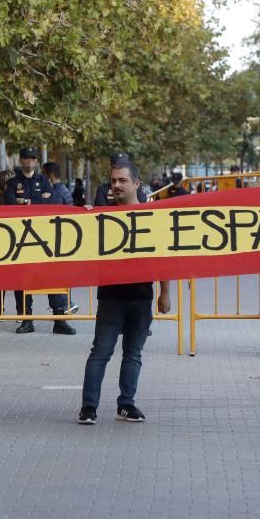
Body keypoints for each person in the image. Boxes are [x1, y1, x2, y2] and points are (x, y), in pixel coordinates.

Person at [78, 161, 171, 425]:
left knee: (133, 353)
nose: (116, 185)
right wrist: (83, 218)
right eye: (113, 181)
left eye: (122, 181)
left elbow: (163, 257)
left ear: (136, 184)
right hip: (110, 297)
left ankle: (126, 405)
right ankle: (88, 407)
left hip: (141, 298)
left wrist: (165, 293)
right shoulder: (100, 217)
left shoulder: (152, 218)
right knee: (101, 352)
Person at [5, 148, 76, 335]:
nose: (28, 162)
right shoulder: (13, 183)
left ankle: (59, 319)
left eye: (32, 159)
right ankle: (26, 319)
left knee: (52, 277)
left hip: (43, 238)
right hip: (21, 239)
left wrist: (25, 203)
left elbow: (50, 202)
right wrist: (34, 201)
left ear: (36, 161)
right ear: (20, 160)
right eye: (25, 158)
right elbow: (10, 204)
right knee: (22, 279)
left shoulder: (43, 181)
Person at [0, 170, 15, 318]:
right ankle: (22, 310)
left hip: (0, 243)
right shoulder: (12, 198)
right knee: (18, 279)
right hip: (13, 241)